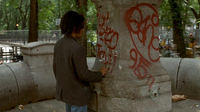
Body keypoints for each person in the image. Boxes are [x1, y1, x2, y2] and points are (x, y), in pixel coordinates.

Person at [53, 11, 108, 112]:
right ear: (76, 28)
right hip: (77, 96)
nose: (83, 30)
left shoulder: (59, 43)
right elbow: (84, 75)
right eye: (82, 27)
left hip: (66, 93)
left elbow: (56, 68)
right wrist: (100, 73)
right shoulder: (77, 48)